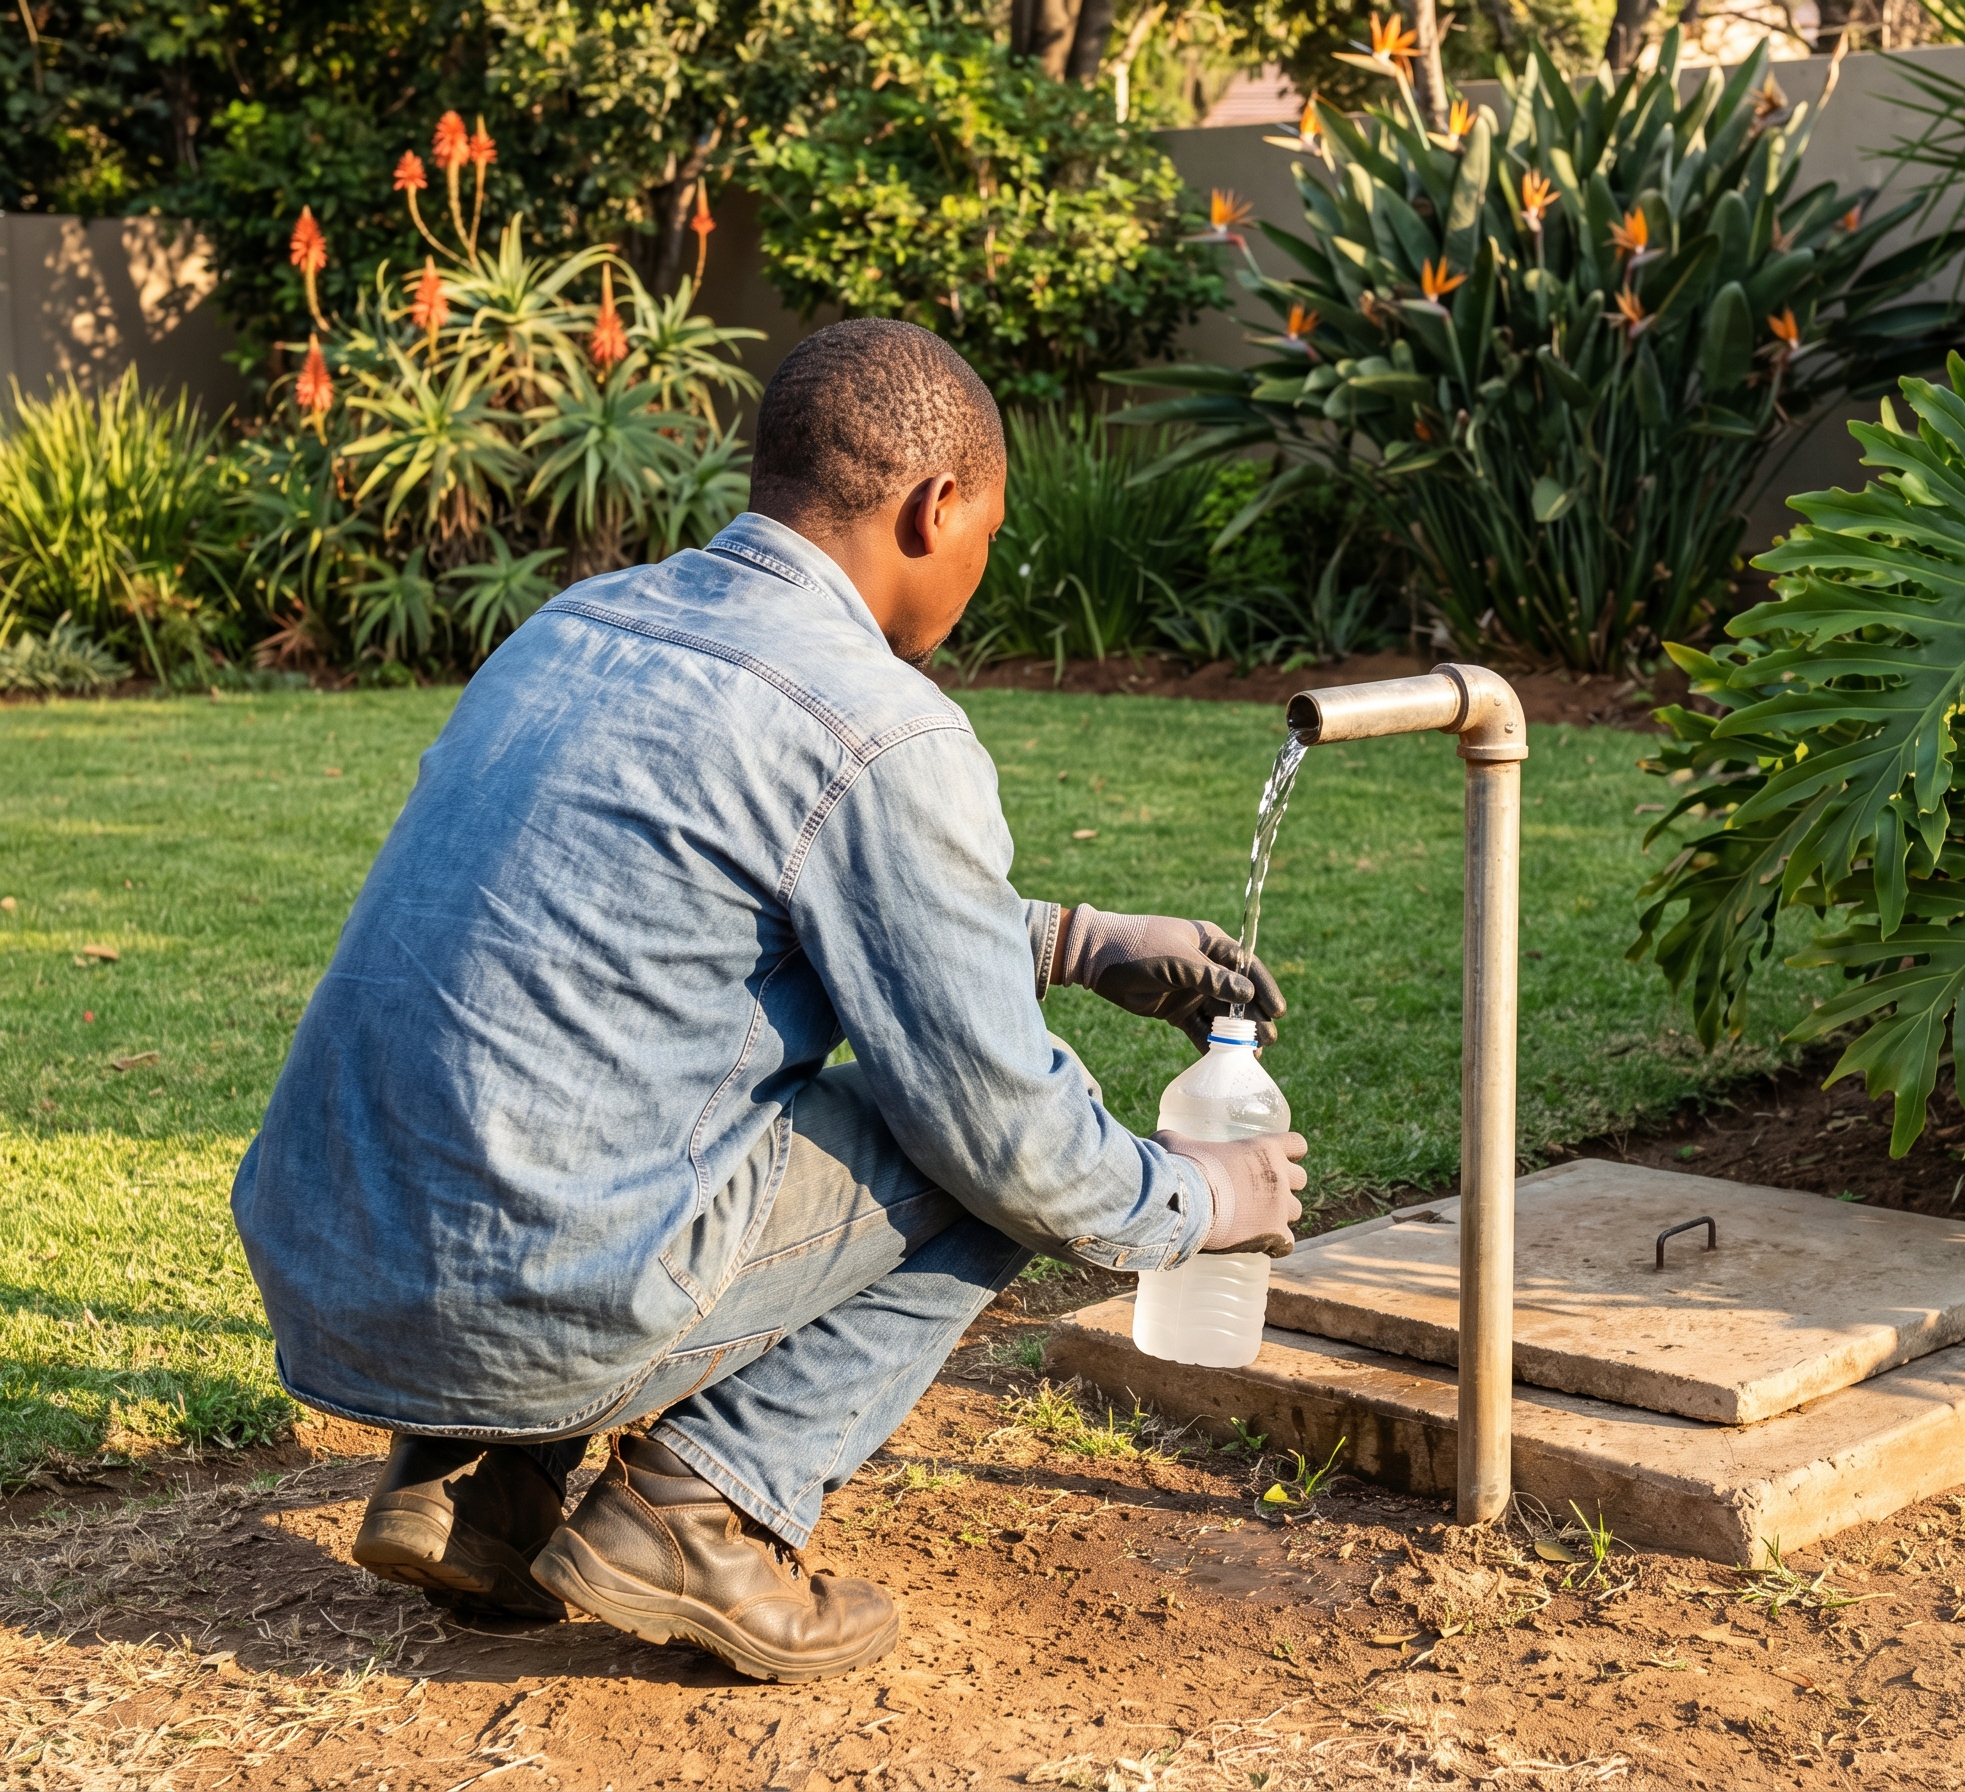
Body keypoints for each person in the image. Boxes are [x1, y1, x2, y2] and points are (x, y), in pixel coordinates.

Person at [230, 318, 1309, 1685]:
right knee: (978, 1149)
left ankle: (475, 1491)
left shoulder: (578, 626)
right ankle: (705, 1508)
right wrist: (1203, 1197)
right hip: (532, 1296)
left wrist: (1081, 940)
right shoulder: (877, 720)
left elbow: (682, 915)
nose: (983, 566)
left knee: (602, 1077)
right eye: (991, 531)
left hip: (338, 1266)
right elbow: (1013, 1143)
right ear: (937, 508)